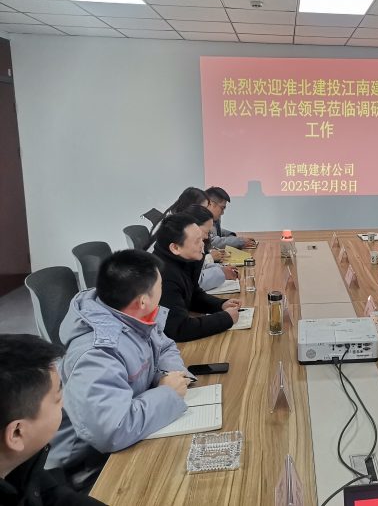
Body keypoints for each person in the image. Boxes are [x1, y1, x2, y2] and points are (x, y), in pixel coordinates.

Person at [45, 250, 194, 475]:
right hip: (89, 467)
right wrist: (168, 393)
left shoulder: (129, 314)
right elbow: (111, 431)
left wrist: (170, 375)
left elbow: (164, 346)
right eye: (161, 286)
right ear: (143, 301)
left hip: (133, 432)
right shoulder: (97, 353)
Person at [0, 334, 104, 505]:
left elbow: (51, 493)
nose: (63, 403)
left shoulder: (20, 464)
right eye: (58, 398)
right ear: (17, 433)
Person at [153, 214, 240, 342]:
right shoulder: (163, 277)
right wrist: (226, 318)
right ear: (175, 247)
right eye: (197, 241)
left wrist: (221, 305)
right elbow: (179, 329)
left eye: (201, 239)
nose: (203, 245)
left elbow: (193, 295)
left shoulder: (184, 259)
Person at [181, 204, 238, 291]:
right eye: (206, 232)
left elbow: (202, 266)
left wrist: (221, 268)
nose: (207, 236)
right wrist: (222, 273)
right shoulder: (184, 247)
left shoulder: (196, 242)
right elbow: (196, 280)